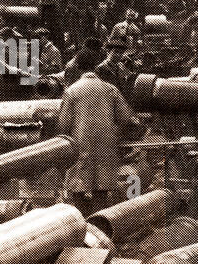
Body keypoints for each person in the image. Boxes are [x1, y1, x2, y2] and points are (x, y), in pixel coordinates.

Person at [56, 68, 141, 213]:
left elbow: (63, 125)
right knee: (101, 189)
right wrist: (117, 132)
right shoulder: (110, 89)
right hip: (106, 146)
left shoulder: (72, 90)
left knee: (78, 186)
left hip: (80, 145)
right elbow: (125, 118)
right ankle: (99, 223)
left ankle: (81, 221)